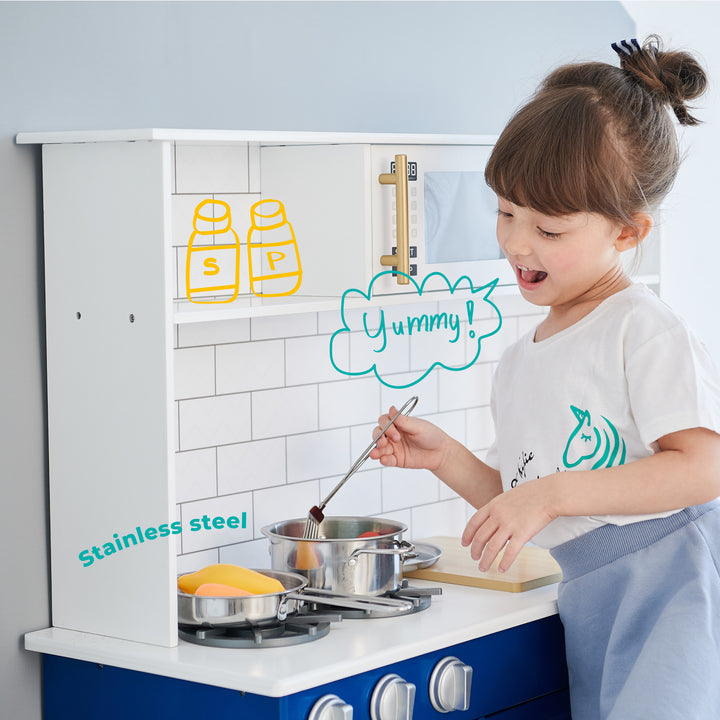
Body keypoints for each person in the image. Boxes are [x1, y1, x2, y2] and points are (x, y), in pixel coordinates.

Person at [370, 36, 720, 720]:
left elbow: (705, 467)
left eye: (549, 230)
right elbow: (523, 495)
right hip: (596, 592)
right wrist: (447, 458)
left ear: (627, 232)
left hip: (675, 583)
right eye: (505, 212)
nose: (517, 243)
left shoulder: (640, 327)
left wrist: (553, 496)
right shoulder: (524, 356)